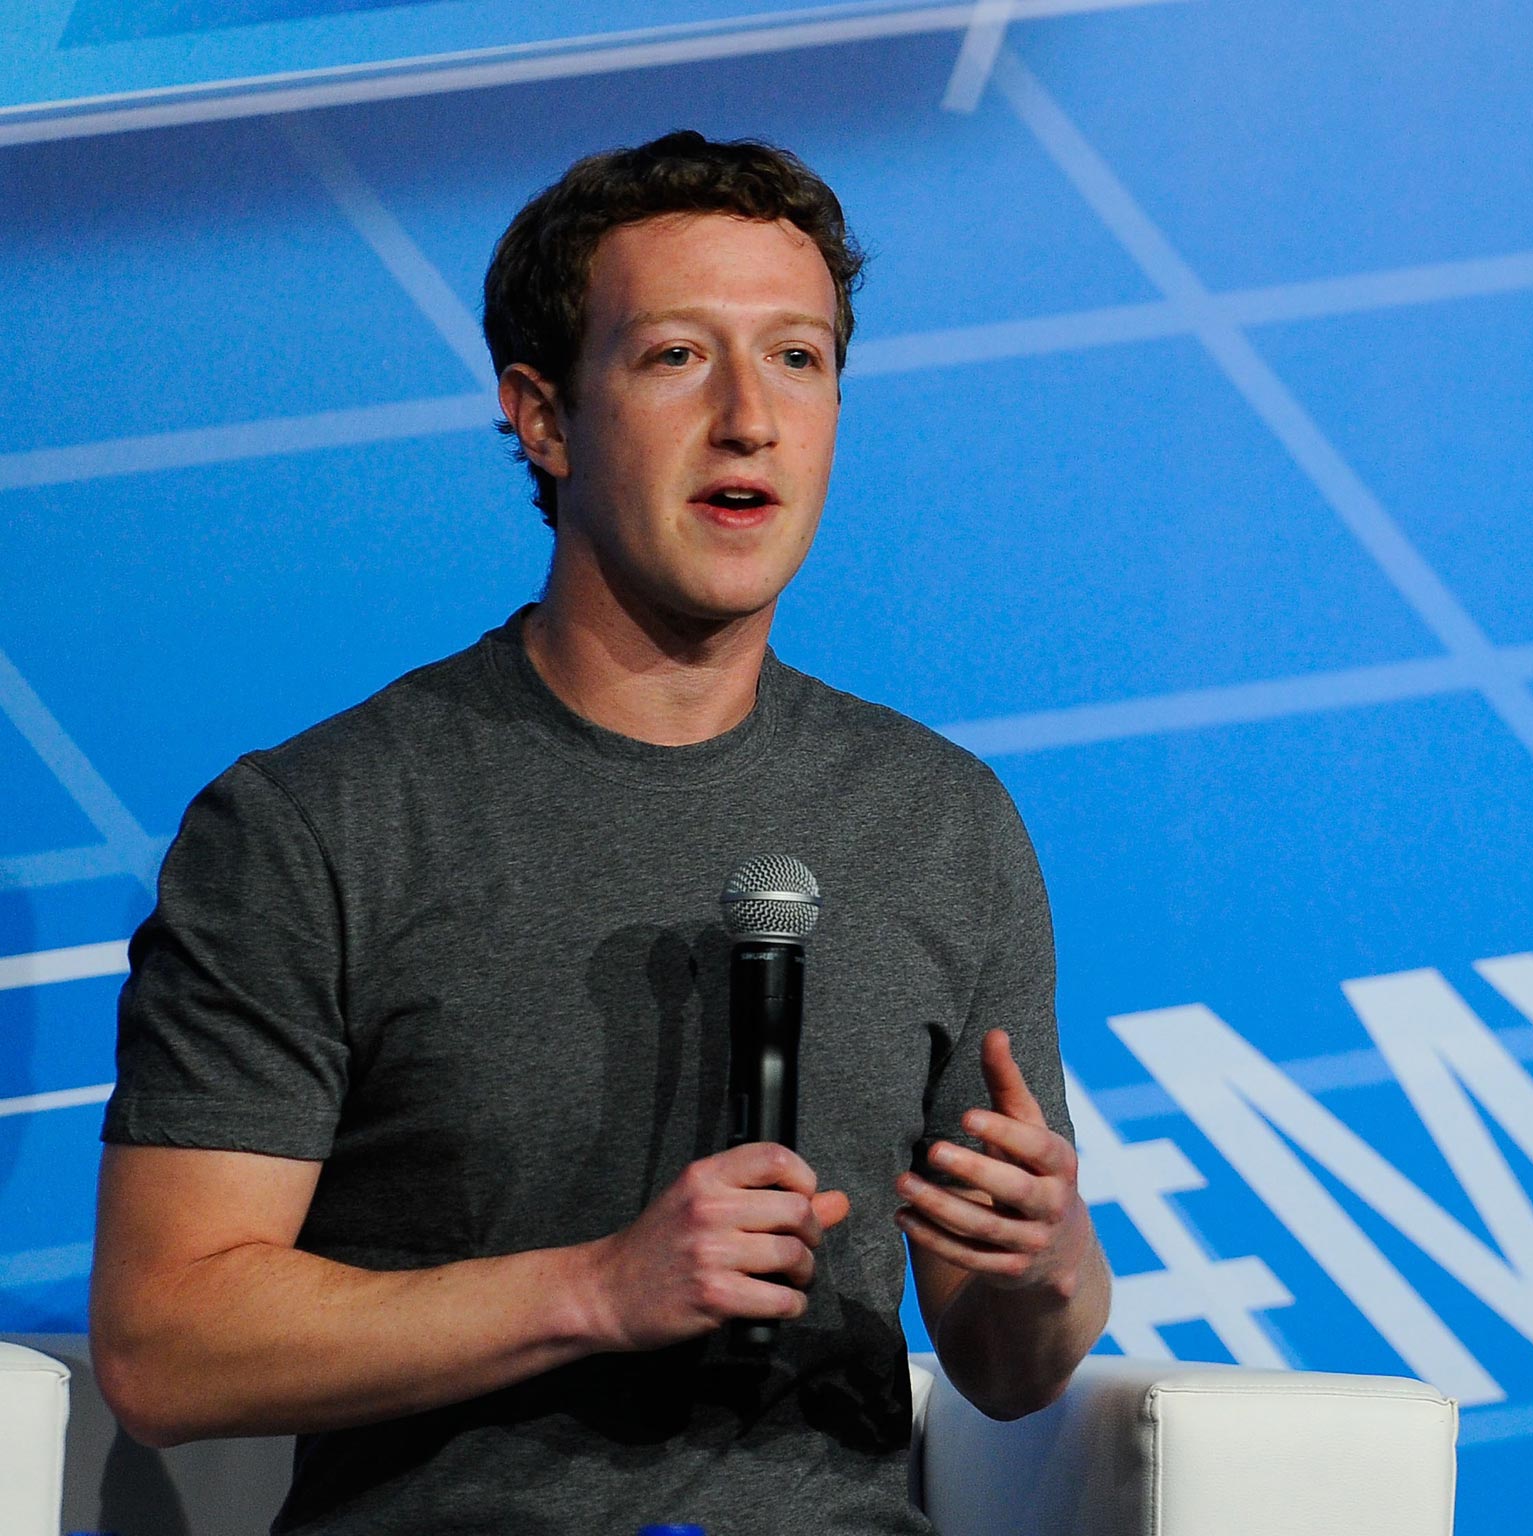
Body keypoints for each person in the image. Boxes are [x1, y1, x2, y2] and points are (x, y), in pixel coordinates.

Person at [89, 129, 1110, 1534]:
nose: (751, 416)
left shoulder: (940, 819)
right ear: (544, 416)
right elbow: (165, 1344)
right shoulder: (314, 823)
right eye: (678, 356)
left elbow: (1008, 1371)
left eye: (800, 359)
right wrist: (596, 1291)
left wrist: (1047, 1264)